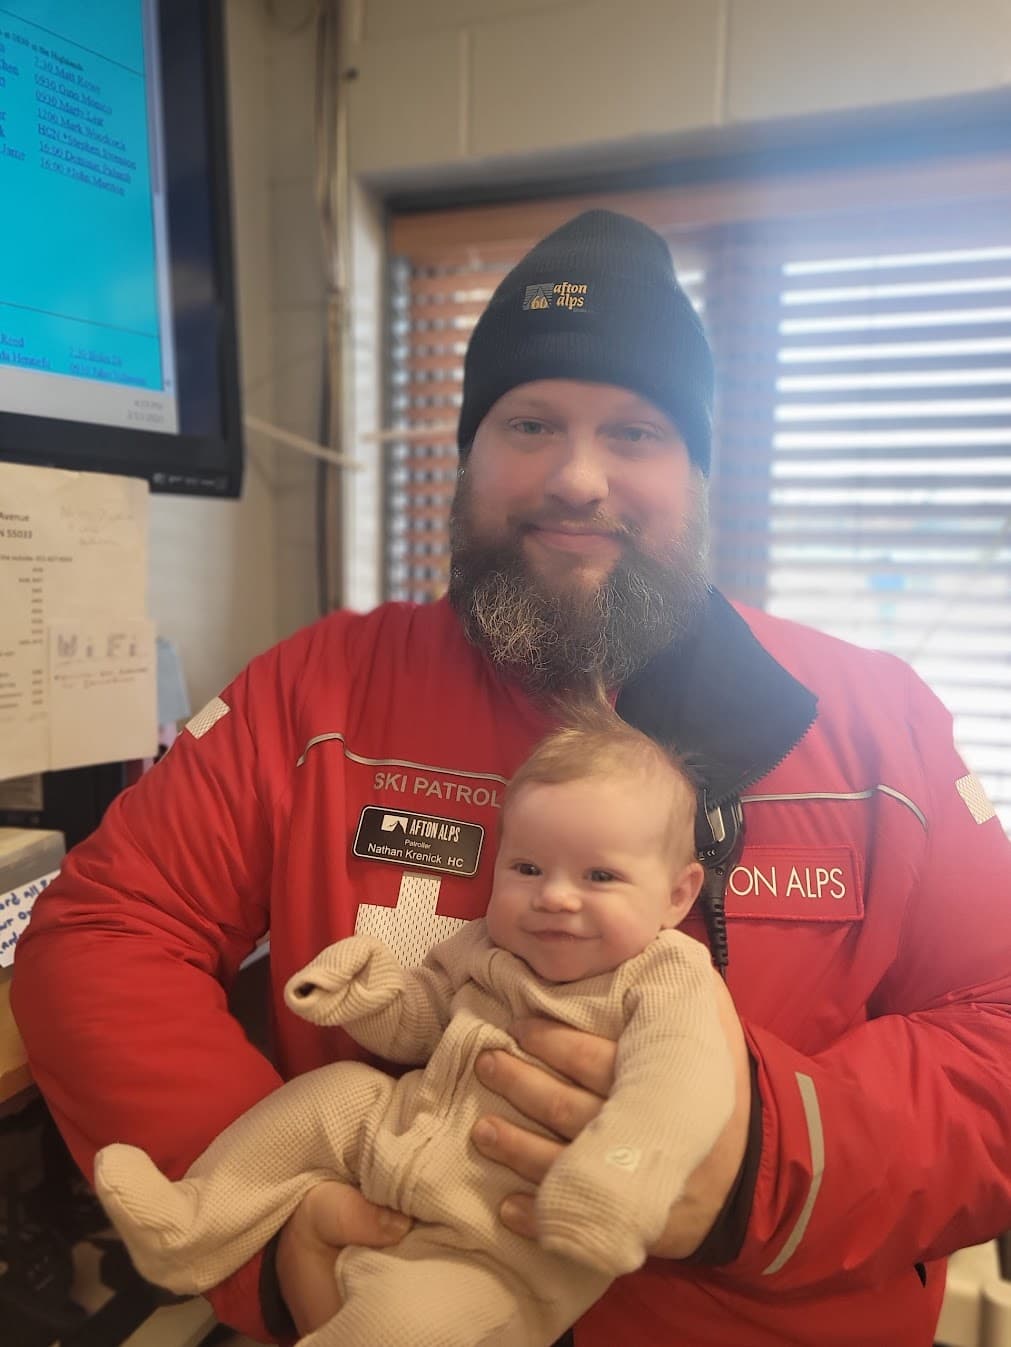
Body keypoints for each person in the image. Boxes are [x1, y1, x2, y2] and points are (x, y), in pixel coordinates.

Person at [11, 208, 1011, 1347]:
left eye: (635, 432)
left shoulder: (877, 727)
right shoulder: (315, 694)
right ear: (468, 453)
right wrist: (272, 1236)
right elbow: (103, 932)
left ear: (697, 469)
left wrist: (759, 1163)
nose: (579, 477)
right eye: (531, 421)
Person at [91, 713, 735, 1347]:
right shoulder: (491, 943)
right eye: (527, 869)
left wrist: (618, 1175)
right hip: (403, 1137)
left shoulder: (666, 974)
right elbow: (425, 1019)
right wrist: (369, 992)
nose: (554, 898)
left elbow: (678, 1086)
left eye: (600, 876)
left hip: (497, 1250)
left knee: (402, 1322)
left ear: (678, 896)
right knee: (337, 1092)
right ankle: (187, 1229)